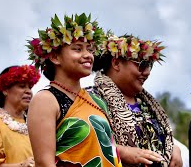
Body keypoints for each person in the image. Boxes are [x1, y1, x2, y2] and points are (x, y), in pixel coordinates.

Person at [26, 13, 122, 166]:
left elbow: (110, 152)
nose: (88, 55)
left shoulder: (96, 100)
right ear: (55, 57)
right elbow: (45, 163)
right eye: (78, 49)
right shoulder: (45, 100)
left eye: (90, 50)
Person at [88, 35, 182, 167]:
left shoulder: (148, 104)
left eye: (150, 65)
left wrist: (174, 149)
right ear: (116, 63)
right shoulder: (89, 99)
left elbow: (164, 139)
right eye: (142, 65)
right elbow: (84, 143)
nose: (148, 72)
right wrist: (121, 152)